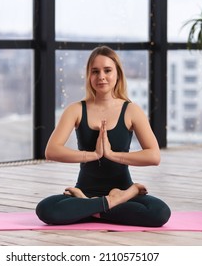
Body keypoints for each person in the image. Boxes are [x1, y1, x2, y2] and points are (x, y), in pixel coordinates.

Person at [35, 46, 171, 227]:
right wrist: (94, 155)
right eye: (95, 71)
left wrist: (112, 155)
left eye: (107, 70)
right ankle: (109, 202)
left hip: (120, 190)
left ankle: (90, 207)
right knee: (45, 209)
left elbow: (154, 156)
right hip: (86, 191)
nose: (101, 77)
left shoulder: (131, 110)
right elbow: (51, 151)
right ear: (89, 76)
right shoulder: (76, 109)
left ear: (118, 74)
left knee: (160, 213)